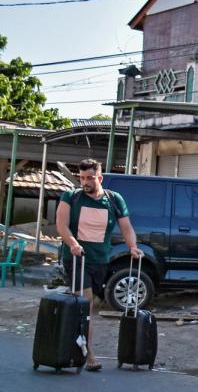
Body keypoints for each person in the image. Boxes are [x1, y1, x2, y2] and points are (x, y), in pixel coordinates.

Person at [55, 158, 143, 372]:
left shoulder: (114, 199)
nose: (85, 182)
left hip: (100, 260)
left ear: (100, 178)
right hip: (77, 258)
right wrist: (73, 244)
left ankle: (72, 344)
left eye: (90, 178)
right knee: (86, 304)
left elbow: (127, 227)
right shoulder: (71, 197)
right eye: (82, 178)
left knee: (87, 304)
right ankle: (88, 353)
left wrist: (133, 246)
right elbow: (61, 225)